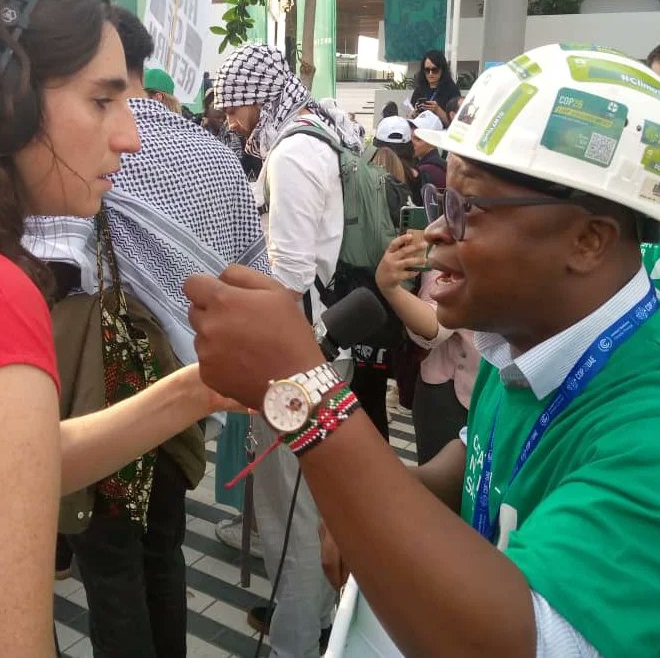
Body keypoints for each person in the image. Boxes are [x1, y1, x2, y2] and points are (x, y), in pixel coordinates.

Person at [185, 43, 660, 657]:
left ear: (589, 241)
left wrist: (305, 393)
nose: (436, 231)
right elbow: (483, 450)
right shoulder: (535, 331)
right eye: (444, 203)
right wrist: (388, 510)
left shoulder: (645, 428)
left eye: (468, 209)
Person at [0, 0, 233, 658]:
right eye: (102, 100)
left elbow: (10, 467)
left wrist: (198, 390)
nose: (131, 137)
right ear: (1, 99)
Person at [25, 6, 270, 645]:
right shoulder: (214, 154)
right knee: (163, 549)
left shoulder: (77, 159)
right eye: (99, 100)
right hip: (187, 379)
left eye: (113, 96)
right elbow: (254, 264)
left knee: (111, 566)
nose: (126, 136)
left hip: (103, 385)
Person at [213, 43, 363, 658]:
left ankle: (295, 642)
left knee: (290, 510)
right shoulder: (314, 133)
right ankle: (318, 616)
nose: (228, 116)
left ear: (259, 92)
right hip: (316, 348)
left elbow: (292, 273)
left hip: (296, 362)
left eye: (233, 101)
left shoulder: (294, 152)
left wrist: (252, 348)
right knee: (309, 500)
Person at [376, 235, 479, 463]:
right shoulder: (448, 245)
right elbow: (437, 322)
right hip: (450, 394)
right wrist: (391, 289)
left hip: (511, 397)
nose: (435, 228)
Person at [410, 49, 461, 115]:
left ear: (442, 70)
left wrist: (438, 110)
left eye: (435, 70)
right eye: (427, 70)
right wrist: (413, 115)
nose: (430, 73)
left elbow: (455, 122)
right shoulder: (419, 90)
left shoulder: (452, 90)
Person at [409, 110, 447, 190]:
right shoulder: (441, 166)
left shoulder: (425, 172)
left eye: (418, 139)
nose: (411, 142)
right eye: (410, 137)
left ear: (433, 142)